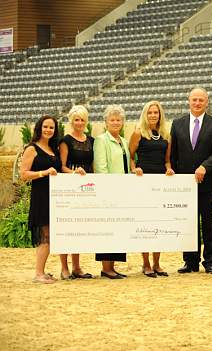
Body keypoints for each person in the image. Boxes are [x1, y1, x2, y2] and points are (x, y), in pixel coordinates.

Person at [169, 87, 212, 274]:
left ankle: (210, 262)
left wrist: (204, 167)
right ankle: (190, 262)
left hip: (208, 184)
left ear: (207, 102)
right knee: (188, 224)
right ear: (189, 101)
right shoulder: (177, 124)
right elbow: (174, 154)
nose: (197, 103)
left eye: (201, 100)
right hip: (185, 186)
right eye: (194, 99)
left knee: (209, 224)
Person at [129, 101, 174, 278]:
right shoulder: (138, 133)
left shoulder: (165, 135)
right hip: (143, 182)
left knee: (159, 223)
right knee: (145, 224)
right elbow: (131, 157)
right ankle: (146, 263)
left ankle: (157, 263)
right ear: (145, 115)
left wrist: (169, 169)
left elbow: (167, 160)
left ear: (160, 115)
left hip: (161, 184)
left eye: (156, 112)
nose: (153, 115)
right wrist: (134, 169)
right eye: (150, 113)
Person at [20, 115, 61, 284]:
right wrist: (43, 173)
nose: (48, 130)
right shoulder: (32, 149)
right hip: (41, 197)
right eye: (45, 126)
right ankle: (38, 274)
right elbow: (23, 174)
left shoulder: (53, 149)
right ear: (39, 127)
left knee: (50, 235)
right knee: (45, 236)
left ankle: (42, 270)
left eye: (51, 127)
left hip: (55, 197)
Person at [93, 105, 130, 279]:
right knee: (107, 229)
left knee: (118, 229)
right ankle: (106, 268)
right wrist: (109, 191)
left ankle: (112, 267)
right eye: (112, 120)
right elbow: (101, 168)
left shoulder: (123, 141)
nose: (116, 122)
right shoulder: (101, 140)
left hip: (123, 192)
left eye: (118, 120)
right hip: (108, 192)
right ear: (106, 122)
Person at [58, 105, 94, 280]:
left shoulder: (91, 140)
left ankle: (77, 267)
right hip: (69, 186)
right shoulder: (65, 140)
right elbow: (61, 166)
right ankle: (64, 268)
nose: (79, 123)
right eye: (76, 119)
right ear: (71, 121)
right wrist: (74, 173)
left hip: (87, 188)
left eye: (82, 119)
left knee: (79, 228)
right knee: (67, 228)